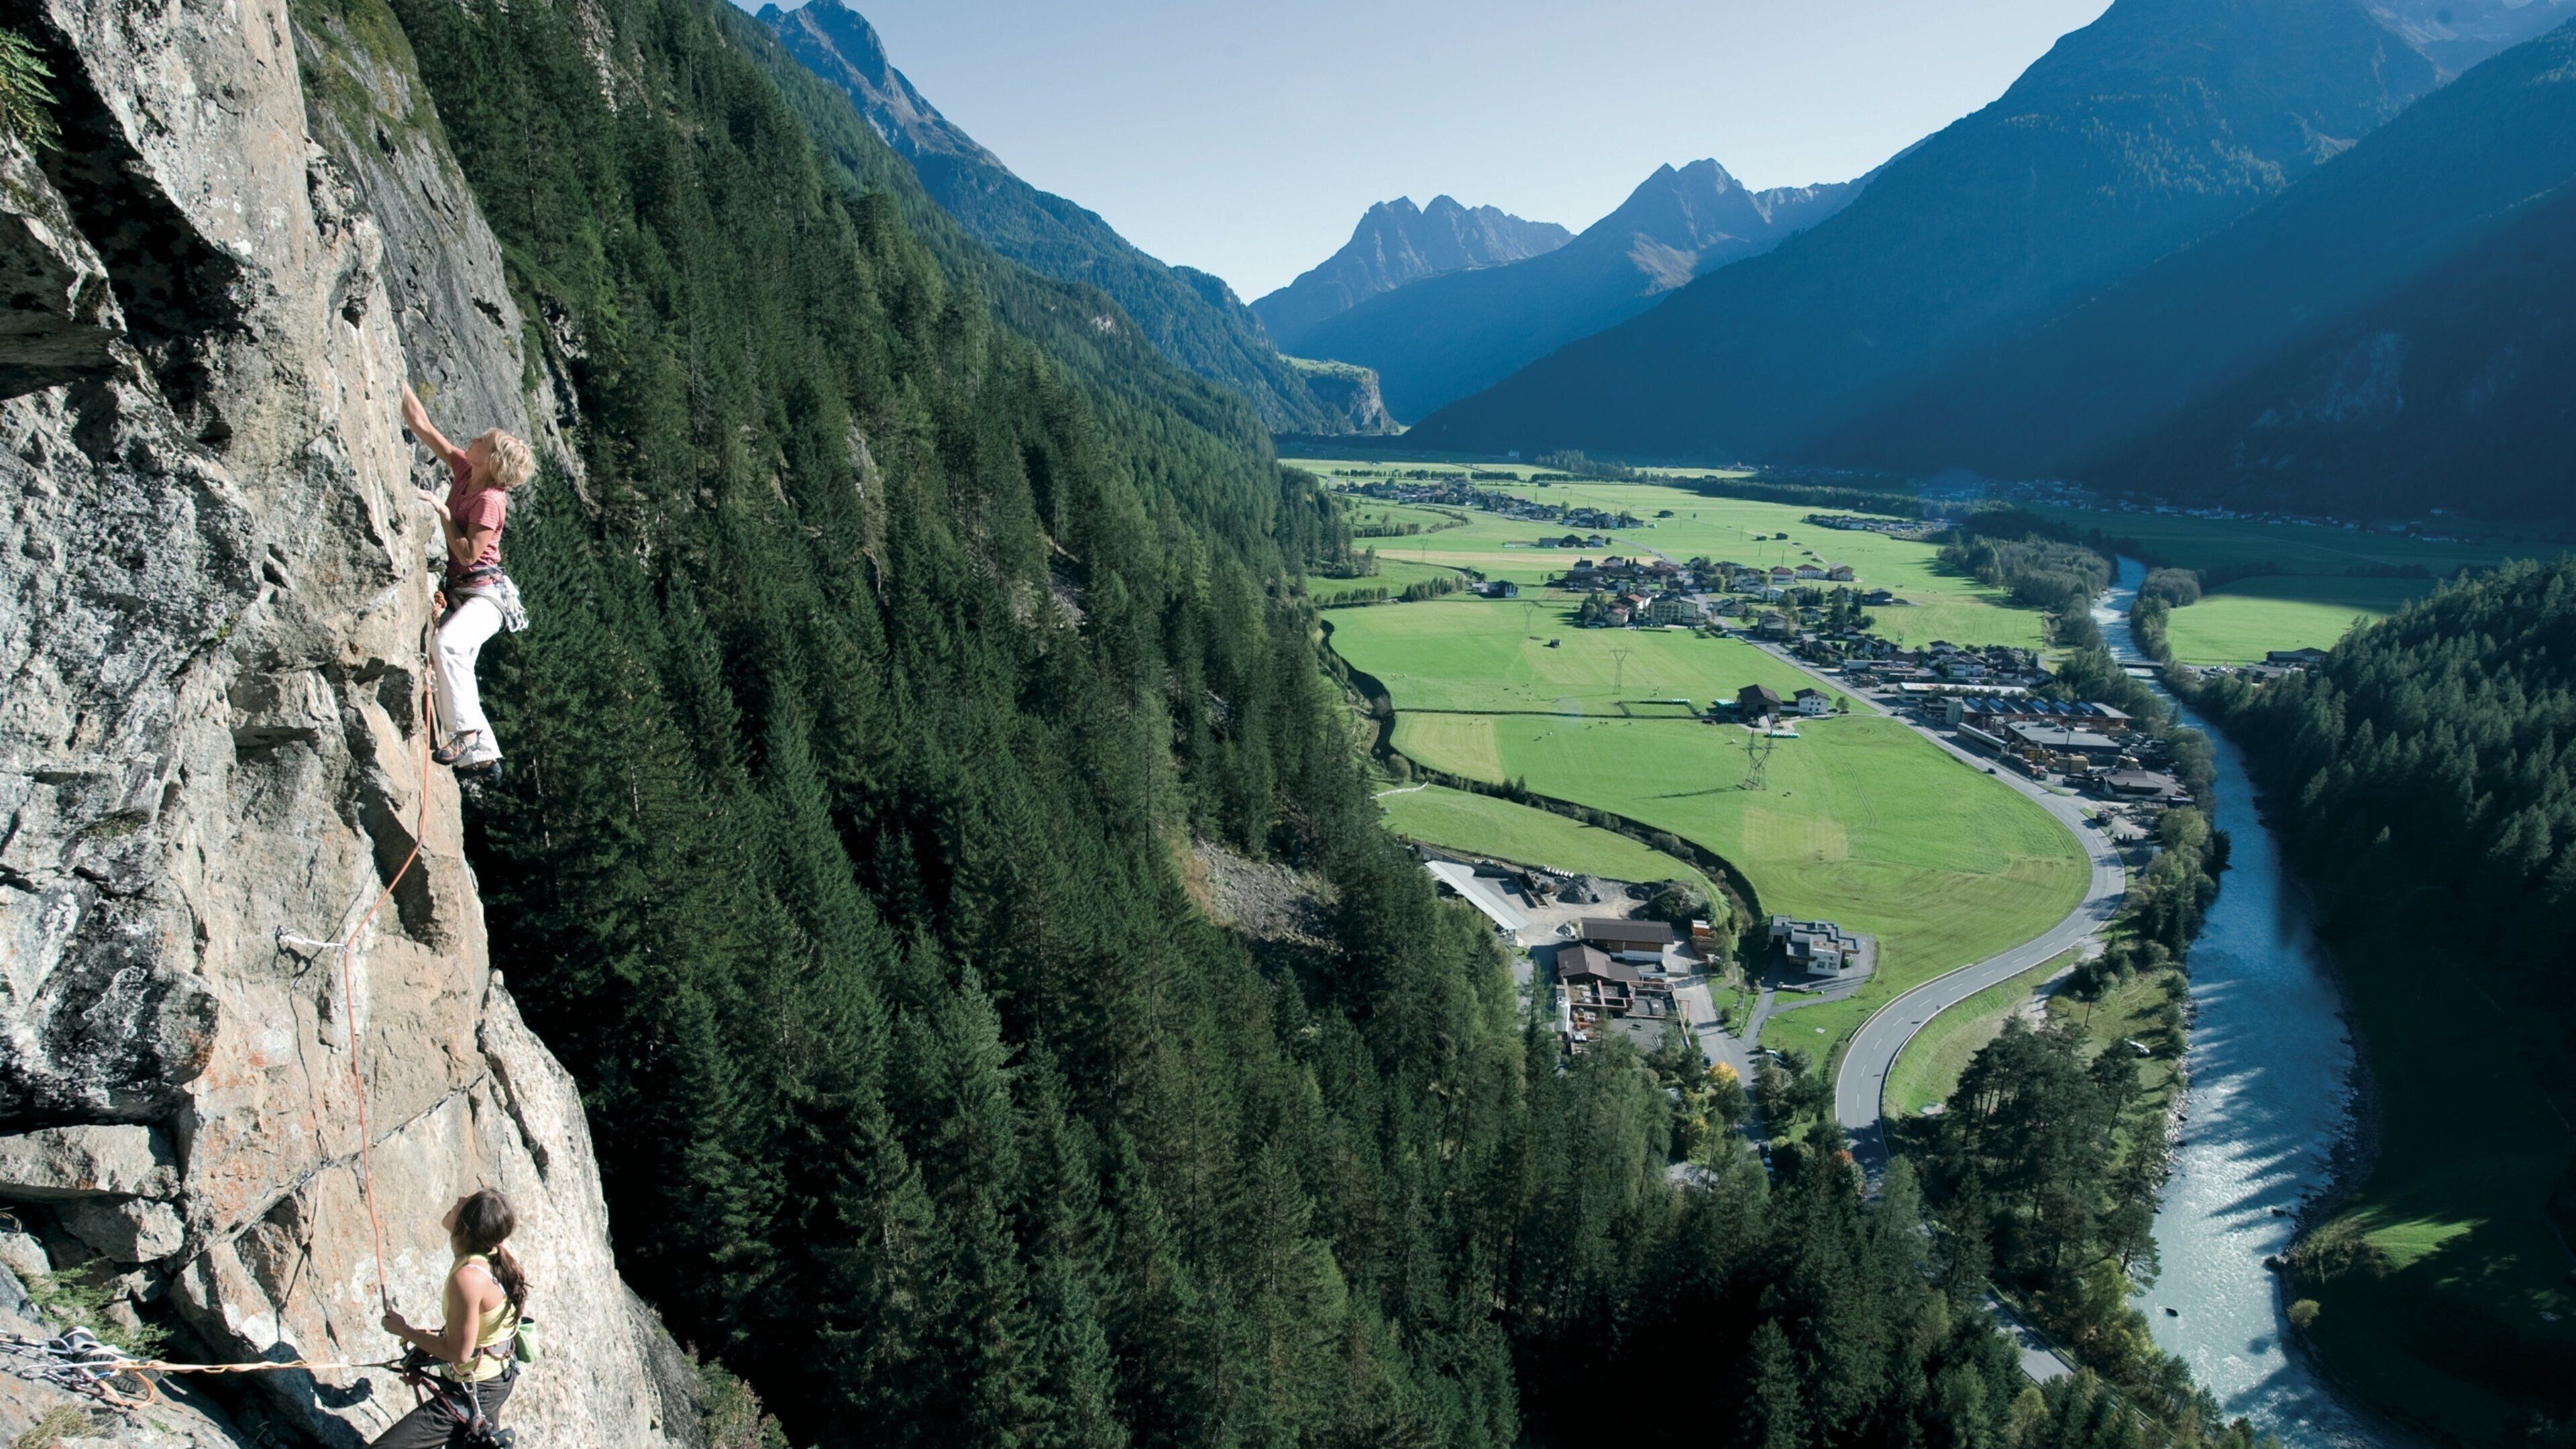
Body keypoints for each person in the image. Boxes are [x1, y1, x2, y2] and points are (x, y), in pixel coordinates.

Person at [402, 383, 534, 770]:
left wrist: (444, 516)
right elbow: (424, 427)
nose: (472, 439)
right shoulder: (465, 470)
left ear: (493, 459)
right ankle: (484, 756)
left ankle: (467, 736)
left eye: (482, 440)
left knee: (448, 648)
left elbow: (466, 553)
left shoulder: (489, 501)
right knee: (453, 666)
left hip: (487, 597)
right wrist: (399, 381)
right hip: (467, 591)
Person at [374, 1188, 529, 1447]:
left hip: (476, 1386)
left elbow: (459, 1353)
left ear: (466, 1227)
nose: (458, 1199)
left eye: (465, 1202)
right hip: (491, 1377)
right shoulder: (496, 1251)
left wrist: (405, 1330)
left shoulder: (468, 1278)